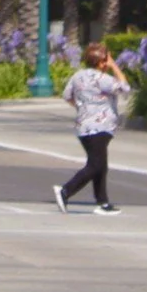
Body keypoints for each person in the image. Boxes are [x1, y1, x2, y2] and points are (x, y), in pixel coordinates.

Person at [55, 42, 132, 214]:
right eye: (105, 61)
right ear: (100, 62)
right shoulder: (101, 78)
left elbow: (67, 95)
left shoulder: (78, 76)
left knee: (100, 165)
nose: (107, 64)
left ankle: (102, 202)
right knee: (95, 165)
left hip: (84, 127)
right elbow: (125, 88)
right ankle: (66, 191)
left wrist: (83, 107)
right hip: (99, 127)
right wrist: (115, 67)